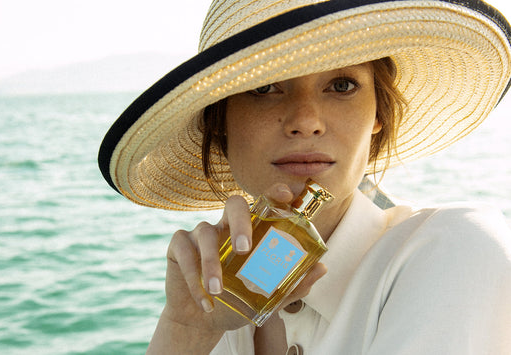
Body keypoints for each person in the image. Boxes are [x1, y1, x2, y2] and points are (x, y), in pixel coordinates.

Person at [98, 0, 511, 354]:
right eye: (264, 88)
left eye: (342, 84)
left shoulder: (456, 247)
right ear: (220, 120)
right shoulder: (219, 306)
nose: (306, 121)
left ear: (378, 116)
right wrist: (184, 332)